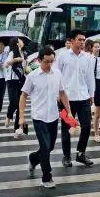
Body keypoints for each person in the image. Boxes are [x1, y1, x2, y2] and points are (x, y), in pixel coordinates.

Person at [19, 46, 72, 189]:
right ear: (39, 60)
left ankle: (33, 158)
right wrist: (21, 117)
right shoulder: (33, 76)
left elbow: (62, 93)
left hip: (53, 116)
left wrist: (69, 112)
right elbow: (23, 95)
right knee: (45, 146)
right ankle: (46, 176)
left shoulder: (57, 74)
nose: (49, 65)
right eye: (46, 62)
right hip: (39, 117)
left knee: (50, 147)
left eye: (52, 62)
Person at [57, 29, 96, 166]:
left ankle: (81, 153)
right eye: (79, 39)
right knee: (66, 128)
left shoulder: (88, 58)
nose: (82, 42)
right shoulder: (62, 56)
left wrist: (92, 95)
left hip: (84, 97)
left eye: (83, 40)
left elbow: (90, 77)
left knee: (86, 127)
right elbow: (58, 76)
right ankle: (66, 156)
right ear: (72, 40)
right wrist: (58, 95)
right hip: (67, 99)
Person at [5, 37, 28, 135]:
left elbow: (24, 68)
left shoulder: (24, 53)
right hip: (12, 80)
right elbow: (6, 64)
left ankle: (17, 128)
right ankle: (9, 116)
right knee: (14, 101)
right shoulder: (12, 53)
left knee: (20, 105)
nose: (22, 42)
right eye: (20, 40)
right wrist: (15, 59)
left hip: (21, 80)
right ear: (17, 43)